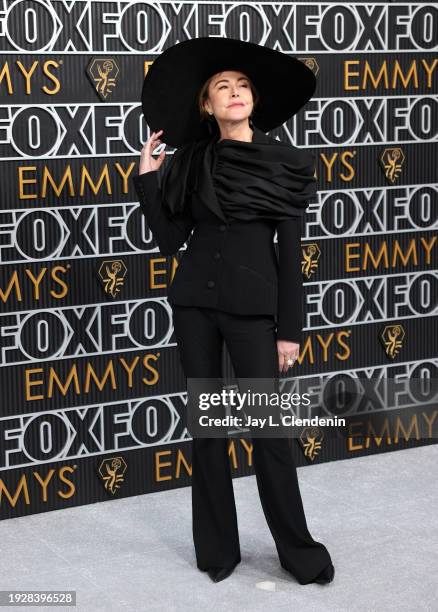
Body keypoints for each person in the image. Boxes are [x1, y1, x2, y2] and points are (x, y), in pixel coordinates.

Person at [132, 37, 335, 585]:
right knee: (210, 432)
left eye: (242, 85)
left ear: (254, 100)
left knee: (268, 433)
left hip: (252, 313)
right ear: (207, 105)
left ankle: (299, 552)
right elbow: (171, 239)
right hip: (195, 304)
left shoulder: (285, 163)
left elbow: (291, 256)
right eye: (222, 86)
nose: (234, 92)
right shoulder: (191, 160)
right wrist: (149, 179)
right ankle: (218, 552)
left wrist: (289, 330)